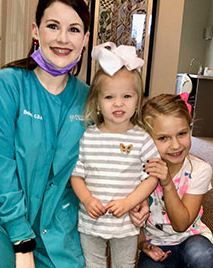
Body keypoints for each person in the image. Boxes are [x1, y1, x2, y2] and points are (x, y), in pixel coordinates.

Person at [0, 0, 91, 268]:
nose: (63, 39)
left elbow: (115, 154)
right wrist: (21, 239)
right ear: (35, 30)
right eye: (53, 26)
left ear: (85, 39)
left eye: (74, 29)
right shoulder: (3, 87)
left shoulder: (90, 100)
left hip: (61, 230)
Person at [70, 42, 159, 268]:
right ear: (97, 103)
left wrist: (130, 202)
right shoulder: (88, 137)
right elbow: (76, 175)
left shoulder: (142, 139)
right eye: (109, 97)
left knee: (125, 264)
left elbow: (152, 177)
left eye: (127, 96)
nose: (118, 103)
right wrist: (88, 199)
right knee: (93, 264)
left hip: (126, 223)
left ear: (138, 100)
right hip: (92, 221)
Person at [137, 94, 213, 268]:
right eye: (163, 138)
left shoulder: (200, 170)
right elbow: (132, 217)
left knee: (202, 257)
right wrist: (142, 244)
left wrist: (167, 184)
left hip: (191, 237)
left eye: (182, 134)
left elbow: (181, 224)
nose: (176, 145)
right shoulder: (137, 170)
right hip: (156, 241)